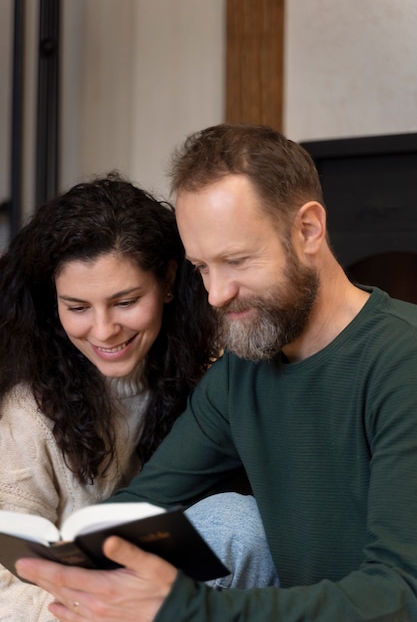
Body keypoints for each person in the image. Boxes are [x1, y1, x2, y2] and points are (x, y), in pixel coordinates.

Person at [16, 123, 417, 621]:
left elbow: (402, 595)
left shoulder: (403, 360)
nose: (215, 294)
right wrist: (76, 563)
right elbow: (142, 503)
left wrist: (187, 609)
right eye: (202, 267)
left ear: (309, 230)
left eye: (236, 261)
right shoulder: (241, 373)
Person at [0, 171, 277, 621]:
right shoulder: (30, 410)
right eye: (77, 308)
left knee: (239, 523)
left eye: (126, 301)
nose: (105, 330)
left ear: (168, 280)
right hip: (65, 610)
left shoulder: (209, 376)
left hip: (175, 598)